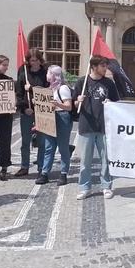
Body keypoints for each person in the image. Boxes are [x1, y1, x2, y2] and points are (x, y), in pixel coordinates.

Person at [73, 55, 120, 200]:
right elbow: (74, 104)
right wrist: (77, 101)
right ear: (94, 67)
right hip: (87, 125)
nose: (106, 68)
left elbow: (116, 103)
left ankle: (106, 186)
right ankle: (84, 187)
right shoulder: (82, 81)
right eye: (103, 66)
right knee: (85, 160)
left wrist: (110, 102)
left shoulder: (109, 83)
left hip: (104, 126)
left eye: (106, 65)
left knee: (106, 159)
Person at [37, 65, 73, 186]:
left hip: (62, 117)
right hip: (50, 118)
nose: (46, 75)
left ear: (54, 75)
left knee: (63, 148)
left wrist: (57, 104)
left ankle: (63, 173)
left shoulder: (63, 88)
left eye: (48, 72)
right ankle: (44, 173)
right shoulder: (49, 89)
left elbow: (69, 106)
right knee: (49, 147)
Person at [14, 48, 48, 177]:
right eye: (31, 60)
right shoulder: (23, 73)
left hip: (42, 111)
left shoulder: (45, 73)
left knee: (42, 141)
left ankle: (41, 166)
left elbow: (47, 92)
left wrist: (32, 89)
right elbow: (19, 94)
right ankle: (24, 166)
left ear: (40, 60)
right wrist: (24, 108)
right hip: (26, 112)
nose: (34, 63)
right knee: (25, 141)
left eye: (36, 60)